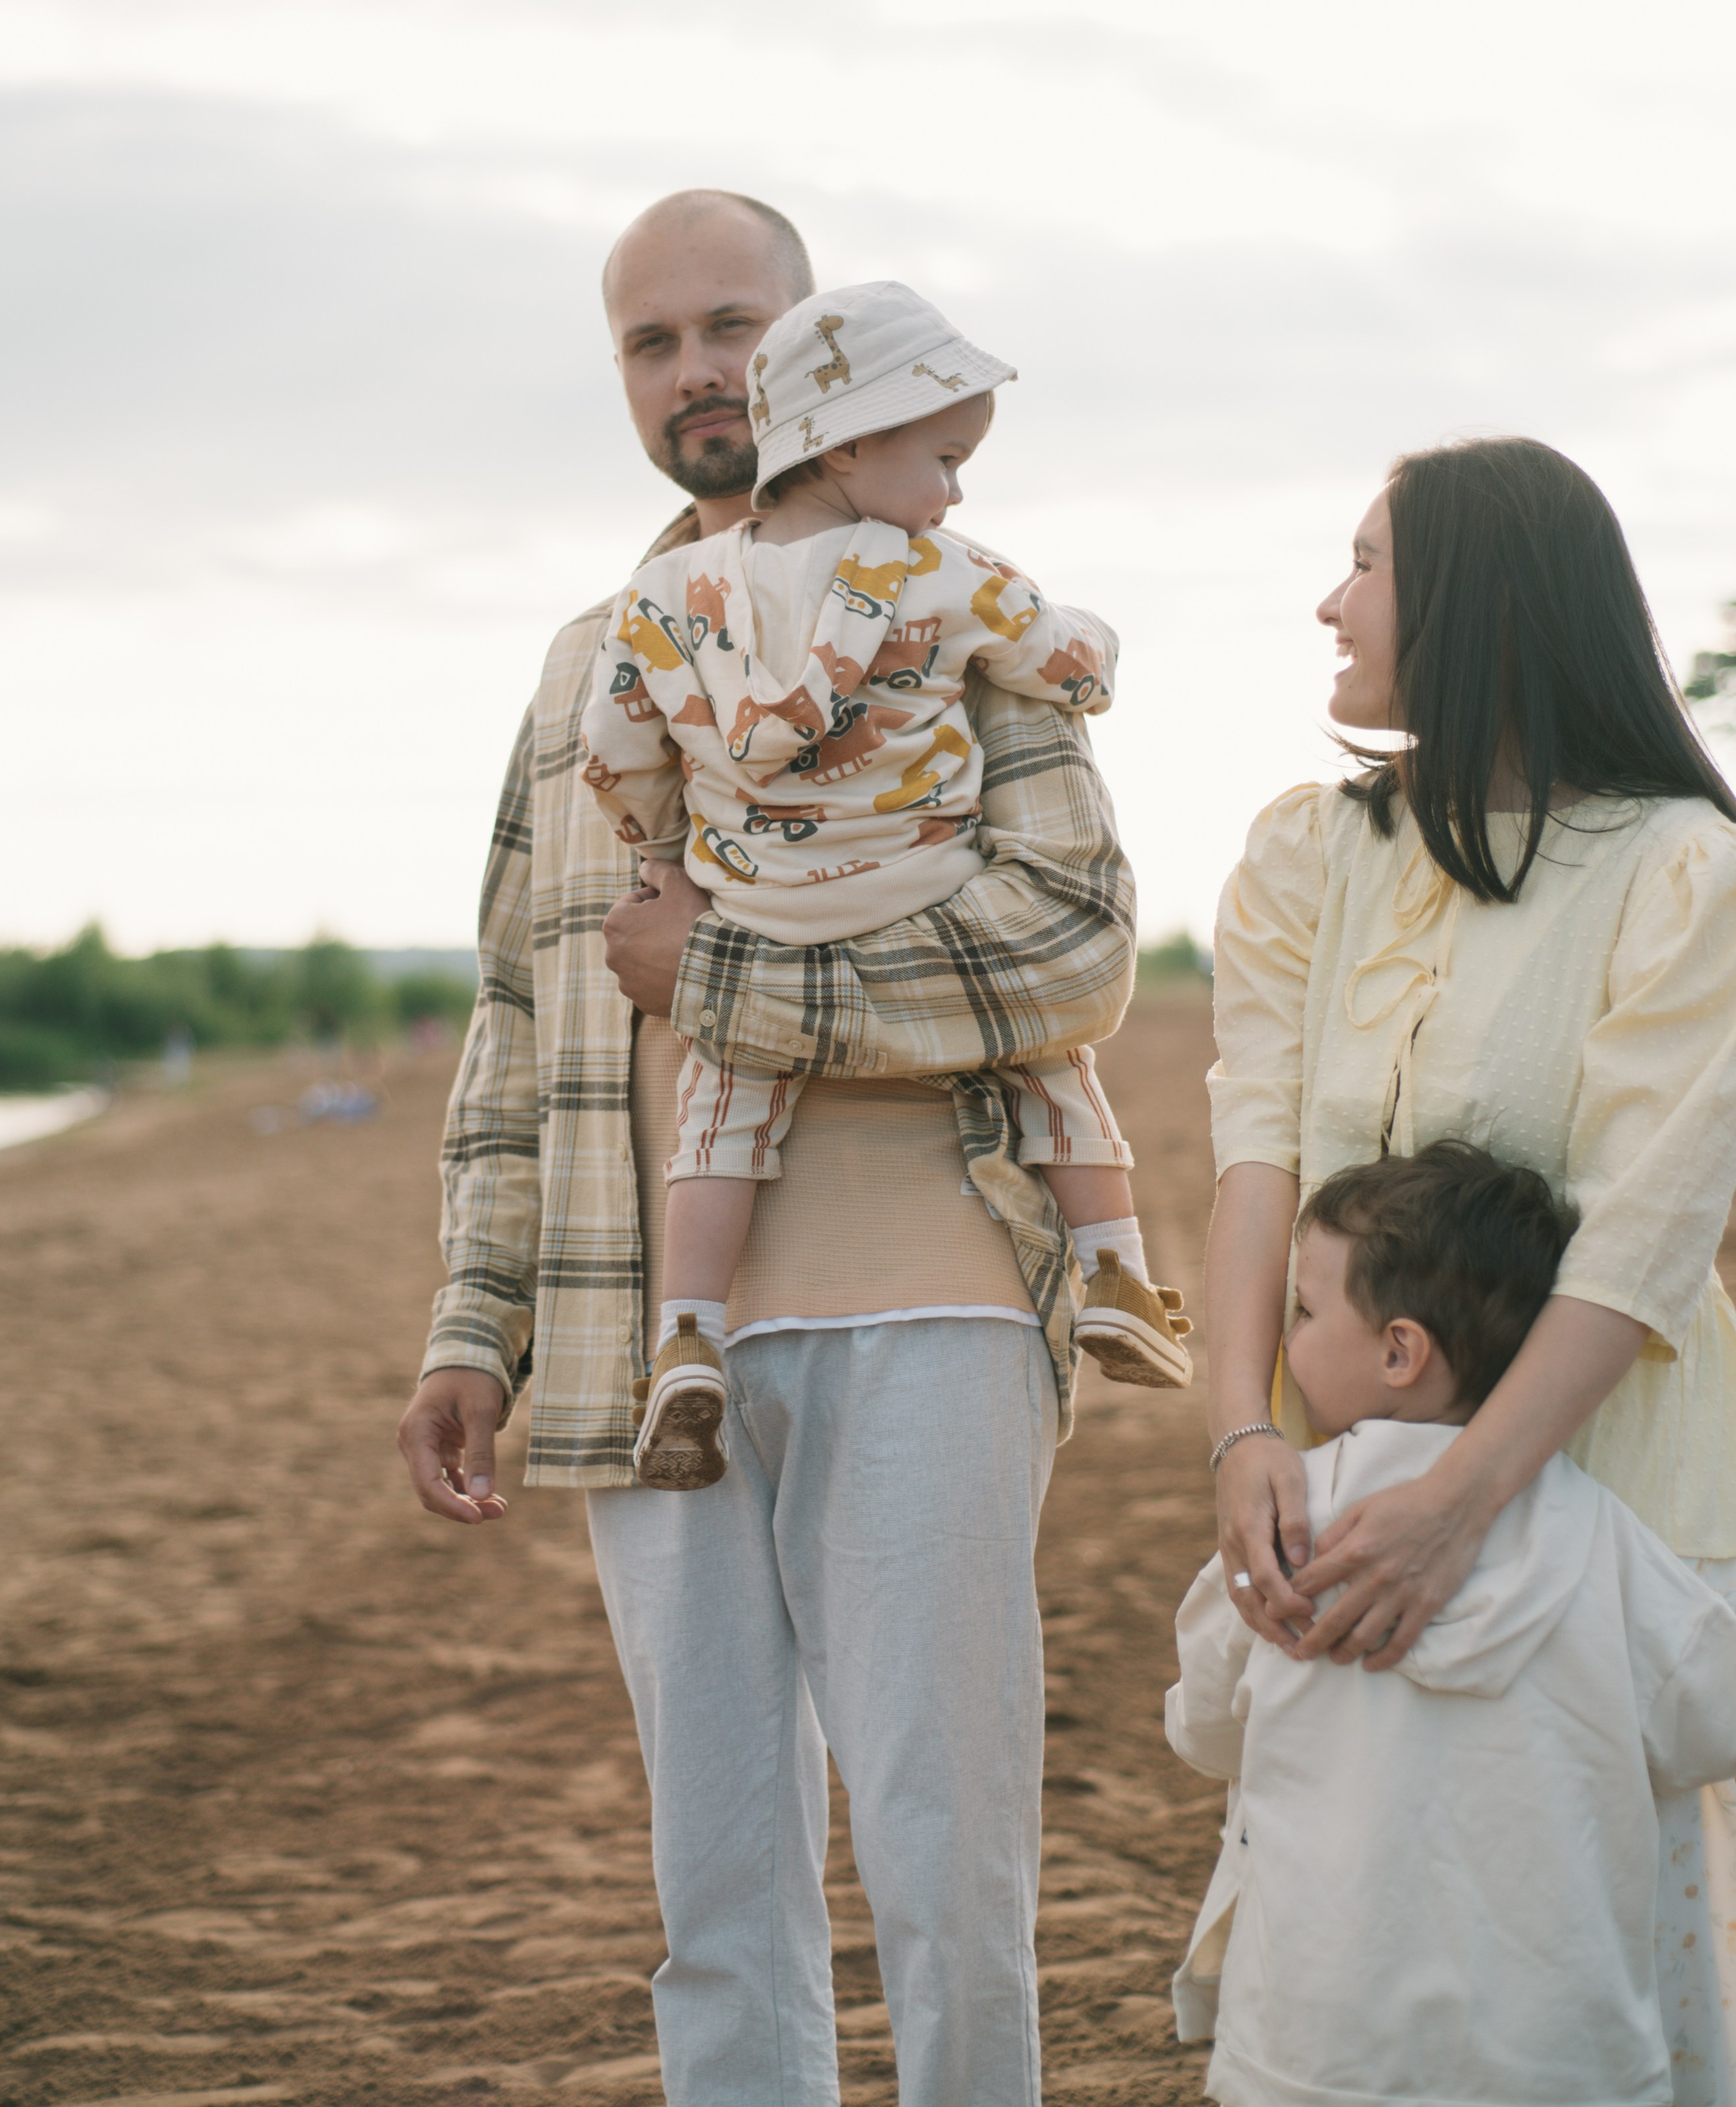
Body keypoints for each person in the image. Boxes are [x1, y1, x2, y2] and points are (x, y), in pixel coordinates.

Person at [396, 189, 1140, 2107]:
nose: (696, 370)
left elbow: (1077, 947)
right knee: (714, 1888)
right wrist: (472, 1324)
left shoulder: (962, 594)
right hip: (652, 1350)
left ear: (821, 341)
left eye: (731, 323)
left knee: (943, 1859)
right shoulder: (590, 666)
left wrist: (725, 976)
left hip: (939, 1306)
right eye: (650, 343)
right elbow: (517, 1021)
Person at [1201, 436, 1736, 2104]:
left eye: (1362, 563)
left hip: (1610, 1493)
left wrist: (1471, 1498)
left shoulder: (1682, 869)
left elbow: (1645, 1227)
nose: (1327, 603)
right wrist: (1237, 1429)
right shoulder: (1308, 855)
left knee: (1586, 1945)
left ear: (1473, 597)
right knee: (1350, 1908)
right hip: (1338, 1481)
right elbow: (1253, 1155)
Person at [581, 277, 1191, 1486]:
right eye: (948, 457)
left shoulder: (662, 598)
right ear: (851, 443)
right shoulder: (941, 570)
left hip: (753, 913)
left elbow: (615, 747)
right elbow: (1070, 667)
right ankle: (1115, 1265)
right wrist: (1101, 634)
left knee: (717, 1122)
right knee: (1050, 1063)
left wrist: (662, 853)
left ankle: (688, 1339)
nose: (957, 488)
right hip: (921, 894)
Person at [1168, 1141, 1736, 2107]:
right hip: (1557, 2054)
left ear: (1400, 1350)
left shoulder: (1282, 1535)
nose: (1287, 1338)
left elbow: (1205, 1729)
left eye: (1305, 1313)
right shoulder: (1606, 1541)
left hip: (1318, 2048)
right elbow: (1710, 1722)